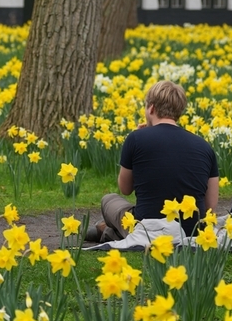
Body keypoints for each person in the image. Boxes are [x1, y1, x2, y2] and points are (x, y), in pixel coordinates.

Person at [86, 80, 219, 242]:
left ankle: (107, 231)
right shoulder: (205, 147)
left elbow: (125, 188)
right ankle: (108, 232)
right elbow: (210, 206)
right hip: (191, 231)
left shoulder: (136, 139)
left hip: (146, 228)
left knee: (109, 200)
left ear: (151, 108)